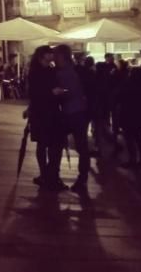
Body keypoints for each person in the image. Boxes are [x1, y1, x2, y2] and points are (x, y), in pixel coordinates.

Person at [54, 44, 91, 193]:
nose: (54, 59)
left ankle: (80, 179)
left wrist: (59, 93)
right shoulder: (74, 70)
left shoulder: (67, 72)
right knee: (78, 146)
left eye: (56, 56)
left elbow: (72, 91)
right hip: (78, 111)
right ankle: (80, 179)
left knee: (77, 146)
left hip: (74, 112)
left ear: (62, 56)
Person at [27, 45, 65, 191]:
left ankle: (49, 174)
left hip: (52, 112)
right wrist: (52, 92)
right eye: (49, 53)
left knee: (50, 143)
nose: (52, 55)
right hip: (41, 113)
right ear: (42, 56)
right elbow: (35, 93)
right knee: (43, 143)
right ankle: (45, 173)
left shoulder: (51, 70)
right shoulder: (35, 72)